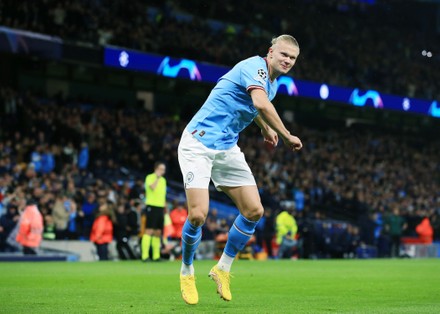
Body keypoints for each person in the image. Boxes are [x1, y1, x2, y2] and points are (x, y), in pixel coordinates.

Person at [177, 34, 302, 305]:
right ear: (271, 52)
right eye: (284, 55)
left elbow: (252, 105)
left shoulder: (272, 84)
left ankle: (222, 268)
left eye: (292, 58)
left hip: (226, 148)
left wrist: (265, 127)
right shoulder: (255, 67)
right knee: (198, 215)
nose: (288, 61)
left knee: (254, 211)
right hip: (198, 143)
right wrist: (286, 133)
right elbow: (258, 102)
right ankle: (187, 271)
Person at [141, 162, 167, 262]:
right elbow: (152, 187)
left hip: (160, 207)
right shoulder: (150, 177)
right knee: (149, 230)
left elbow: (162, 194)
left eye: (163, 170)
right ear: (156, 168)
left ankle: (156, 256)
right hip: (151, 206)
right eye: (160, 169)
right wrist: (157, 177)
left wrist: (165, 206)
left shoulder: (164, 180)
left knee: (158, 232)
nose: (162, 171)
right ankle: (145, 256)